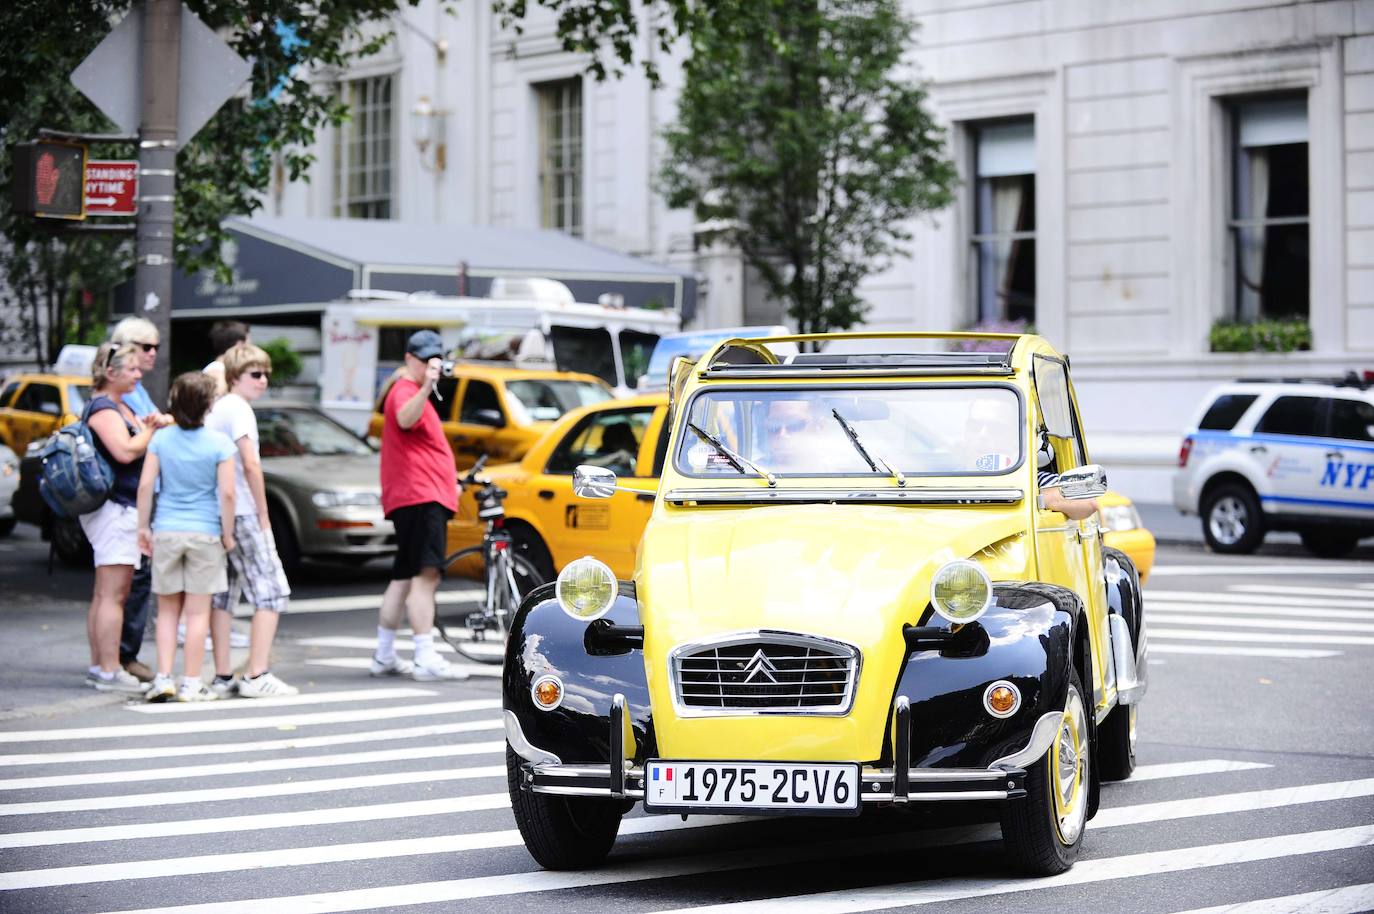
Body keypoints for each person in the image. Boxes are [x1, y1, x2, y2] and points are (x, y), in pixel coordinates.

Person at [137, 373, 237, 702]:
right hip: (205, 532)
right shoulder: (220, 444)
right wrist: (227, 534)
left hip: (167, 529)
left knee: (167, 611)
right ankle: (191, 682)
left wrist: (143, 527)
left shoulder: (161, 440)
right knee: (197, 613)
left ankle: (163, 678)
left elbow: (146, 485)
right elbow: (228, 494)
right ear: (209, 405)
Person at [372, 329, 466, 682]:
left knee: (404, 577)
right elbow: (404, 419)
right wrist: (426, 386)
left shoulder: (409, 389)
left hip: (417, 496)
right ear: (410, 359)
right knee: (426, 576)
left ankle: (383, 654)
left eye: (435, 360)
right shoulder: (405, 390)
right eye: (424, 359)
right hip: (421, 497)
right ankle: (425, 656)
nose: (430, 365)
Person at [206, 344, 299, 698]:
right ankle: (257, 674)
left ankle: (223, 675)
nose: (263, 381)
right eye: (255, 374)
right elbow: (250, 463)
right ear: (234, 376)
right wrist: (263, 512)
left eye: (266, 374)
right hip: (243, 509)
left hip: (218, 511)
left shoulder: (217, 407)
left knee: (224, 593)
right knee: (271, 591)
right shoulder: (239, 409)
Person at [80, 342, 155, 693]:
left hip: (117, 508)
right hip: (117, 508)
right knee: (113, 594)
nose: (138, 375)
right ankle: (109, 670)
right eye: (132, 369)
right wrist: (152, 431)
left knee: (105, 593)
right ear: (111, 373)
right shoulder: (104, 408)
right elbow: (125, 452)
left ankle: (100, 666)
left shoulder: (115, 405)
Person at [108, 317, 173, 684]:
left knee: (129, 580)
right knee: (129, 580)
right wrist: (156, 426)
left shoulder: (133, 390)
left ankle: (117, 657)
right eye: (146, 347)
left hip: (139, 492)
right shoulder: (121, 395)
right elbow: (129, 447)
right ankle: (120, 657)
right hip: (131, 495)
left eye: (155, 347)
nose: (152, 355)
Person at [203, 320, 251, 397]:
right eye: (248, 344)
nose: (249, 349)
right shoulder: (218, 371)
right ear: (239, 345)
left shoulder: (219, 368)